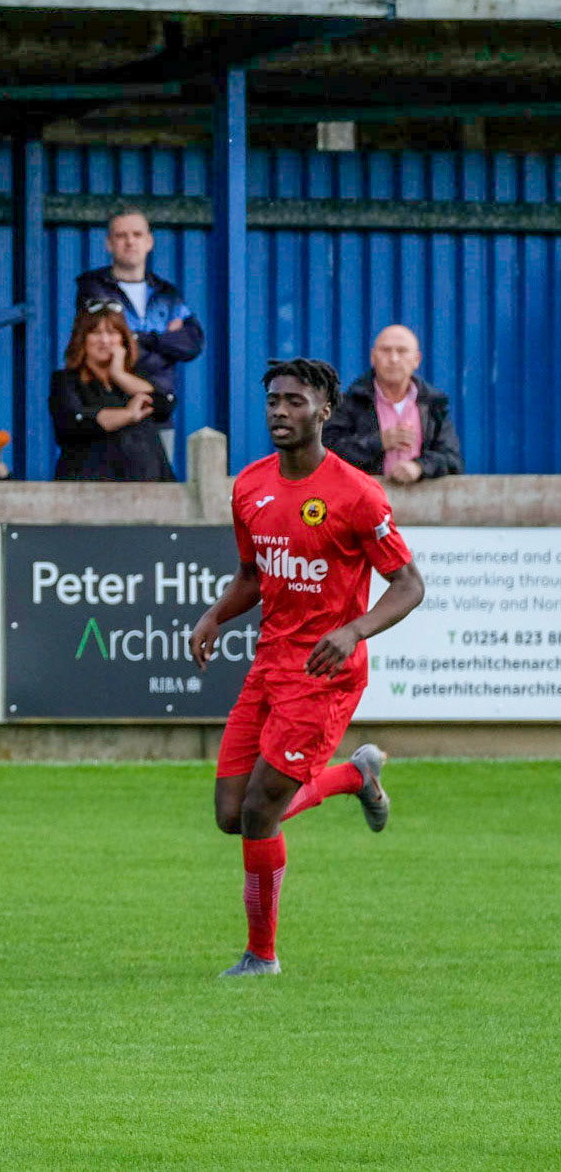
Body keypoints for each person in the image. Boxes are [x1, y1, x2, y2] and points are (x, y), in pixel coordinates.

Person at [189, 359, 424, 978]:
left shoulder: (357, 494)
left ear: (324, 411)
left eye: (294, 401)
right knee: (231, 815)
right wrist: (215, 615)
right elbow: (252, 576)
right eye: (273, 400)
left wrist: (353, 630)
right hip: (269, 665)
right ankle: (354, 776)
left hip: (325, 675)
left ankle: (261, 956)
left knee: (260, 814)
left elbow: (409, 585)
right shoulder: (250, 485)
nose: (279, 410)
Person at [75, 206, 205, 456]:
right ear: (109, 243)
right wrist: (166, 342)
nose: (130, 241)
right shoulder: (93, 288)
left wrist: (139, 339)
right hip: (109, 407)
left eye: (136, 234)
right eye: (121, 235)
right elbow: (103, 348)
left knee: (159, 480)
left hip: (158, 408)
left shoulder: (167, 293)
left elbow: (193, 343)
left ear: (149, 241)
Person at [49, 303, 174, 482]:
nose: (105, 340)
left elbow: (165, 403)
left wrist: (119, 375)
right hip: (89, 488)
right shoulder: (66, 381)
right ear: (82, 339)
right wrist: (128, 415)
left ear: (123, 340)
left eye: (112, 332)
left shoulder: (135, 379)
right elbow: (73, 420)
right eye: (96, 332)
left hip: (150, 488)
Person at [323, 324, 463, 485]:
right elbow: (328, 452)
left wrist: (419, 467)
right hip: (363, 497)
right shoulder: (350, 402)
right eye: (386, 350)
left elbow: (452, 459)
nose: (393, 359)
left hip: (423, 499)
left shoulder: (433, 404)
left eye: (402, 351)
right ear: (373, 357)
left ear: (417, 360)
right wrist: (379, 442)